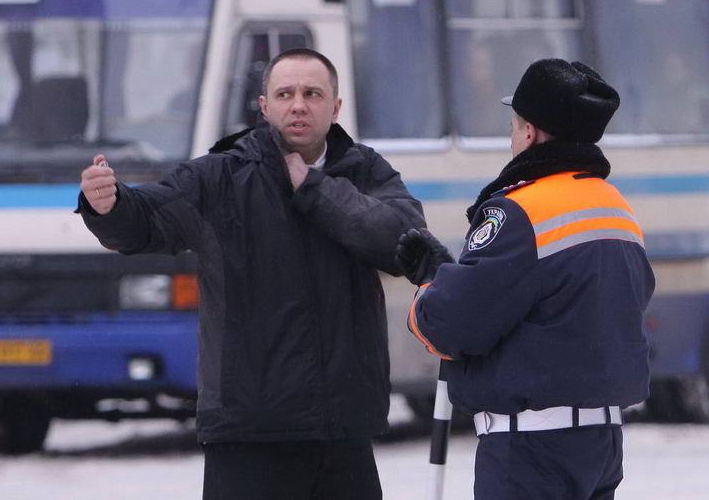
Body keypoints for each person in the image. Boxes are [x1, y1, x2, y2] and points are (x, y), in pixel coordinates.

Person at [78, 48, 425, 500]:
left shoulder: (365, 170)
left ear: (336, 107)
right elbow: (147, 220)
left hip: (342, 430)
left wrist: (314, 188)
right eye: (285, 94)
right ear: (264, 106)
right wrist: (109, 206)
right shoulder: (222, 175)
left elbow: (404, 242)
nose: (298, 105)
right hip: (248, 432)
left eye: (312, 94)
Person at [396, 58, 655, 500]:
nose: (512, 137)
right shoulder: (616, 208)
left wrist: (431, 283)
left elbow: (454, 325)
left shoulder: (520, 211)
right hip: (602, 446)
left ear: (530, 132)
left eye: (514, 126)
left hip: (530, 453)